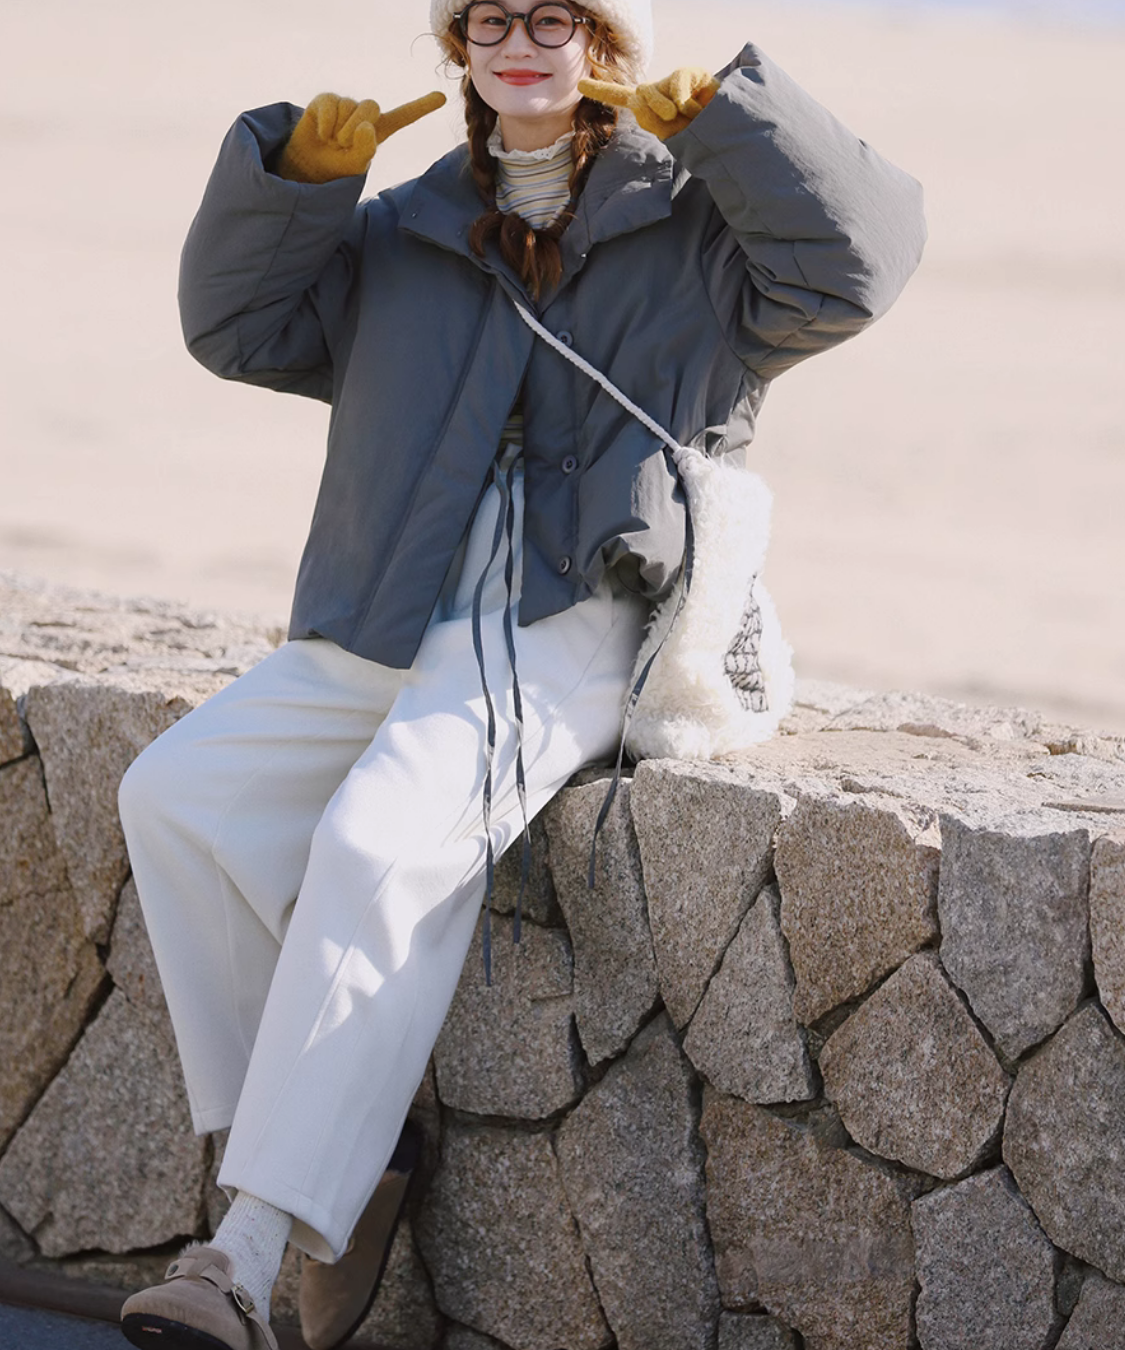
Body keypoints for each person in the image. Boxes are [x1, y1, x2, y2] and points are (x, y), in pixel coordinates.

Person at [116, 2, 926, 1347]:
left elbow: (856, 266)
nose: (520, 38)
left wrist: (732, 118)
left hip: (571, 619)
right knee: (179, 795)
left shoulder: (699, 229)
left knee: (380, 838)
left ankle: (244, 1251)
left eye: (559, 13)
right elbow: (239, 329)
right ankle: (345, 1155)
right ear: (459, 46)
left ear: (605, 39)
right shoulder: (408, 227)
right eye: (489, 15)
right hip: (391, 602)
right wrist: (295, 179)